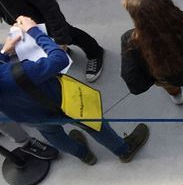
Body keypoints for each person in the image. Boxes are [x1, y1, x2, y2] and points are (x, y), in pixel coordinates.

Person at [0, 15, 148, 166]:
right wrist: (33, 31)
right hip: (63, 102)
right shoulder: (18, 73)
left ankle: (84, 155)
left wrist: (4, 54)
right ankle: (124, 150)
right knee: (94, 125)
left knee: (53, 134)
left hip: (29, 117)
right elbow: (59, 59)